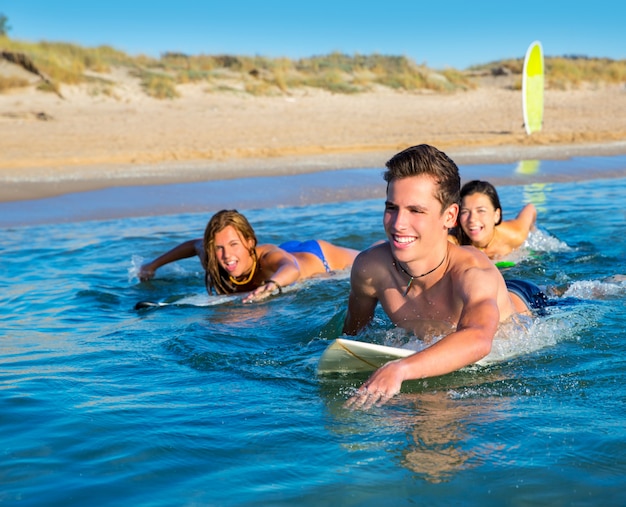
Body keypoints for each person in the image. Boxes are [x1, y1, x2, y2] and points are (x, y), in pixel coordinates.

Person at [342, 144, 547, 409]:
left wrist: (401, 369)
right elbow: (354, 338)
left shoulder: (473, 271)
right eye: (392, 208)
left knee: (570, 293)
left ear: (450, 216)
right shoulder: (370, 269)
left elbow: (478, 339)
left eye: (416, 211)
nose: (398, 224)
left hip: (529, 301)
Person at [139, 209, 359, 303]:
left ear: (249, 242)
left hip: (320, 259)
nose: (226, 255)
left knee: (371, 259)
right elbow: (192, 245)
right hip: (288, 250)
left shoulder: (267, 257)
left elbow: (291, 267)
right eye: (219, 247)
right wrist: (153, 265)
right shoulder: (213, 257)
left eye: (234, 244)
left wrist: (272, 285)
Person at [452, 180, 537, 259]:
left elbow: (530, 209)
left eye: (481, 211)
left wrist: (532, 230)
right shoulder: (453, 243)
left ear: (496, 215)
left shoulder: (515, 236)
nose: (472, 219)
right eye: (465, 212)